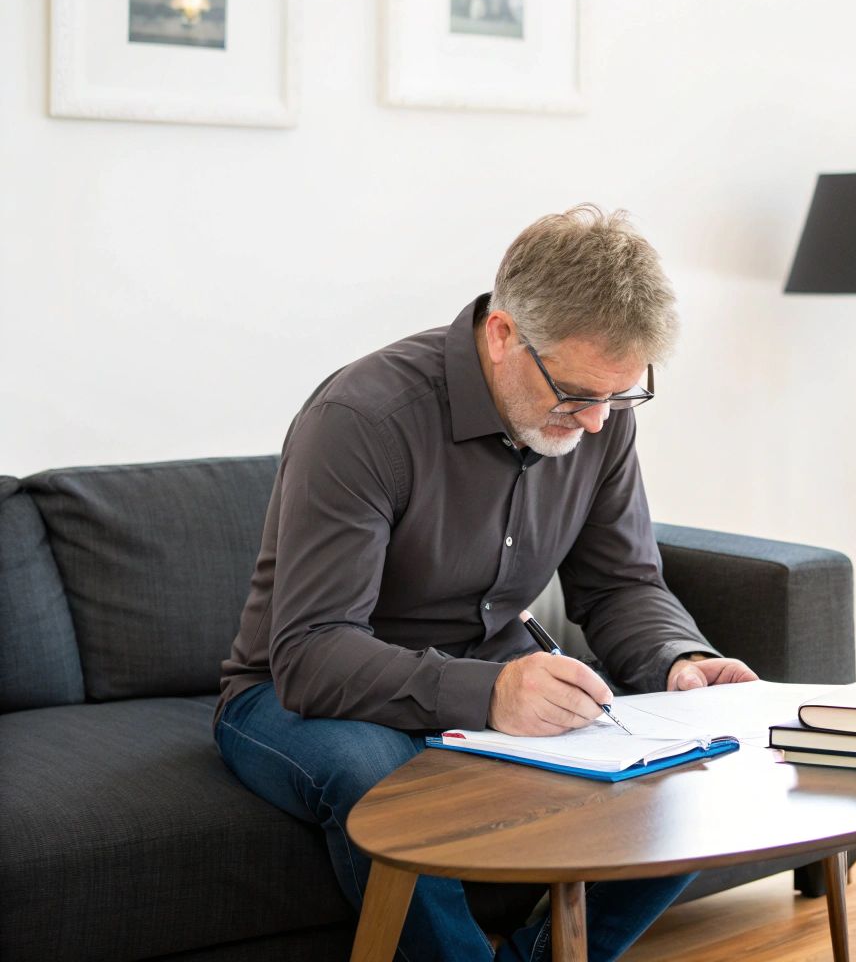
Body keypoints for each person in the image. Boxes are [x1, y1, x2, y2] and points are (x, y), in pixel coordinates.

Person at [215, 204, 758, 961]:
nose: (598, 422)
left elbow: (620, 586)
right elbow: (311, 653)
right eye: (576, 393)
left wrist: (677, 659)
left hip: (490, 682)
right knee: (376, 772)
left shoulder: (599, 421)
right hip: (297, 694)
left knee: (702, 765)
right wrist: (494, 694)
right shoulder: (364, 420)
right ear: (503, 334)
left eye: (620, 396)